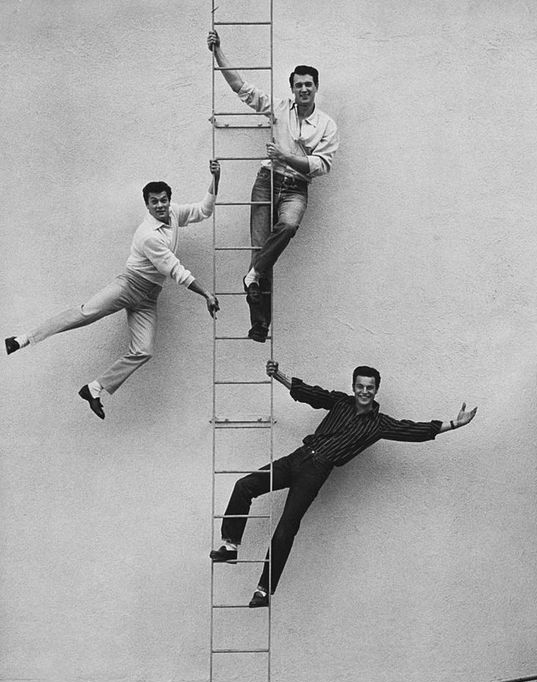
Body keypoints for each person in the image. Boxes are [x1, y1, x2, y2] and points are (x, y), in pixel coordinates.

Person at [210, 360, 478, 607]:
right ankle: (231, 545)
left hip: (315, 472)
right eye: (360, 386)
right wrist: (278, 375)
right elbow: (310, 394)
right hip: (297, 458)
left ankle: (263, 591)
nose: (364, 391)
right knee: (245, 485)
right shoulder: (340, 402)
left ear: (376, 391)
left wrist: (454, 424)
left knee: (285, 529)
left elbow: (413, 431)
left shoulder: (379, 425)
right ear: (353, 387)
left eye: (369, 388)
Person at [5, 162, 222, 420]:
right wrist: (206, 293)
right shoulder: (148, 235)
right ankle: (24, 338)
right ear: (148, 205)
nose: (161, 206)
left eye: (164, 200)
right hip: (129, 285)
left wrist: (215, 178)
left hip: (149, 297)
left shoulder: (174, 214)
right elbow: (175, 270)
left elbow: (204, 211)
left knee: (144, 351)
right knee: (85, 314)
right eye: (155, 202)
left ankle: (94, 389)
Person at [207, 30, 339, 342]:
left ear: (316, 88)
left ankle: (252, 276)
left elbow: (321, 166)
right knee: (259, 249)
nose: (303, 89)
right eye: (298, 85)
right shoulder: (280, 108)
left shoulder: (326, 125)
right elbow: (242, 89)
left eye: (309, 84)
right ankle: (260, 325)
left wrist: (286, 156)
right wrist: (218, 52)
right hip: (267, 182)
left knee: (289, 225)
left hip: (295, 187)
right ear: (292, 89)